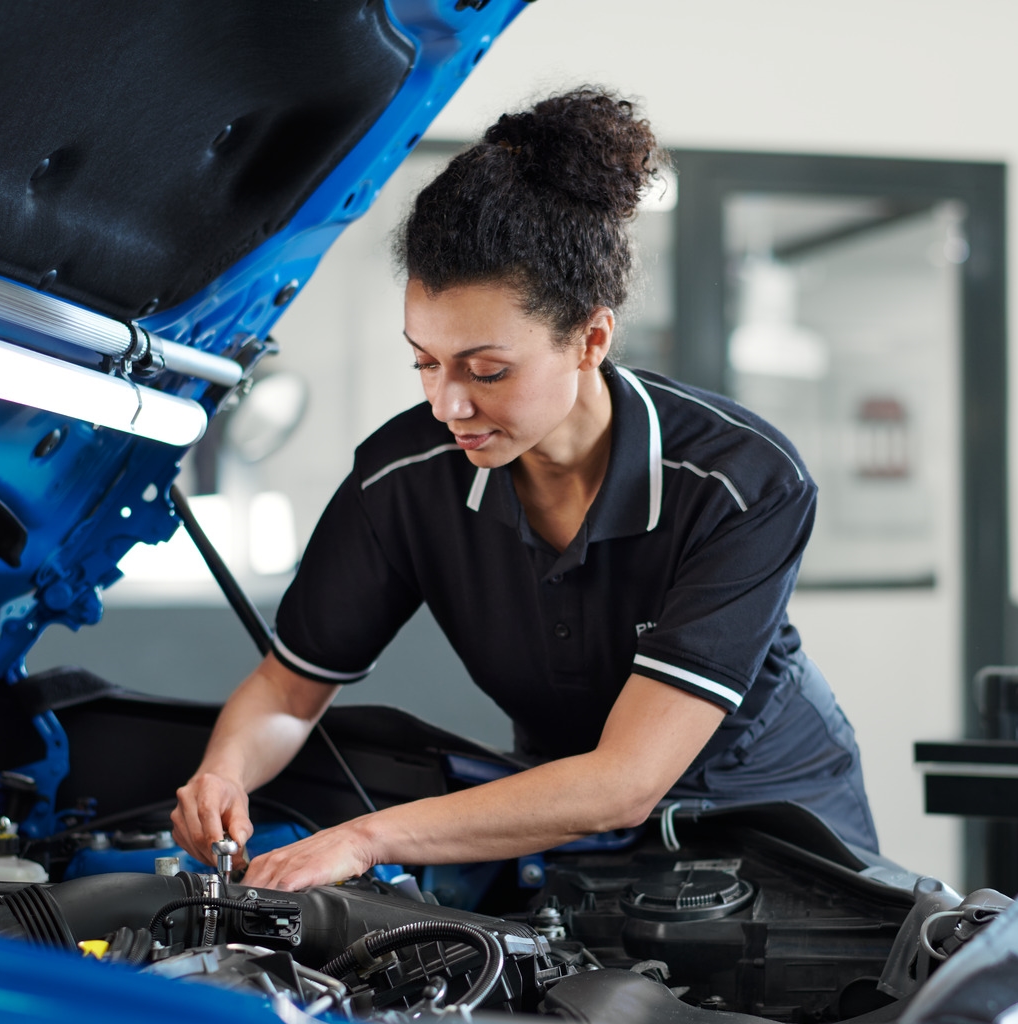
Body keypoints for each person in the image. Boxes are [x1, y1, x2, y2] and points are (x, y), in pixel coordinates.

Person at [172, 88, 875, 890]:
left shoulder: (741, 482)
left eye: (487, 370)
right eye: (425, 363)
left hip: (776, 828)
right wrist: (224, 774)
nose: (447, 405)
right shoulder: (403, 479)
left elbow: (626, 782)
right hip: (566, 823)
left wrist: (365, 839)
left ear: (591, 338)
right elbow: (287, 696)